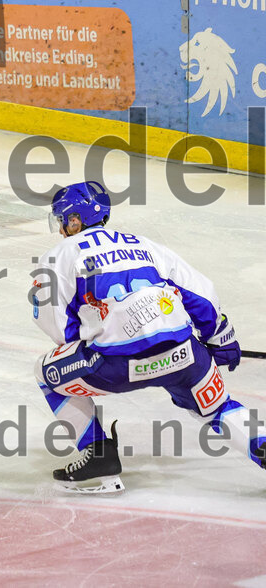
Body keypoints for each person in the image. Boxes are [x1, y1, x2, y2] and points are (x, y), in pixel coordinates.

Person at [31, 181, 264, 493]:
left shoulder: (59, 255)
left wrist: (92, 335)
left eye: (62, 221)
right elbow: (202, 295)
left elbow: (57, 327)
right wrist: (220, 337)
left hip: (115, 366)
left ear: (74, 220)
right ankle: (261, 445)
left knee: (46, 374)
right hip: (183, 355)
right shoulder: (145, 244)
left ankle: (98, 452)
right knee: (217, 407)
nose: (60, 230)